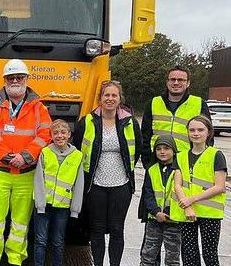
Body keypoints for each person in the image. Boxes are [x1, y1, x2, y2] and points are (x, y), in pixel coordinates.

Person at [0, 59, 52, 266]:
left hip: (26, 174)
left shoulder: (39, 108)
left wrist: (26, 156)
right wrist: (9, 157)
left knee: (20, 223)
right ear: (4, 80)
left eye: (19, 77)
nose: (15, 81)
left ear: (27, 79)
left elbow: (45, 134)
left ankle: (15, 260)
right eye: (11, 78)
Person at [73, 80, 141, 266]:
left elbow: (138, 149)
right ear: (100, 98)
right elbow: (77, 149)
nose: (110, 99)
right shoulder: (86, 122)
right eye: (106, 95)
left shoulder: (130, 123)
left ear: (120, 99)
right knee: (96, 229)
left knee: (117, 230)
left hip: (122, 184)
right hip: (95, 185)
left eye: (114, 95)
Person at [171, 115, 227, 266]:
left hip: (210, 214)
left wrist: (192, 199)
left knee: (210, 255)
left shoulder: (216, 155)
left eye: (200, 130)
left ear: (208, 132)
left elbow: (220, 186)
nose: (196, 133)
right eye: (192, 130)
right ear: (188, 133)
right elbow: (177, 185)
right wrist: (188, 206)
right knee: (189, 255)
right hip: (188, 213)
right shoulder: (181, 156)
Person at [33, 119, 83, 266]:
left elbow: (79, 184)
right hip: (44, 205)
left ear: (69, 134)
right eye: (55, 133)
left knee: (58, 241)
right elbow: (38, 179)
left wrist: (75, 209)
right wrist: (40, 204)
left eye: (63, 132)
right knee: (40, 240)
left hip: (63, 207)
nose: (59, 136)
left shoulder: (77, 156)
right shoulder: (45, 152)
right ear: (51, 136)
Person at [141, 65, 211, 168]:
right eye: (173, 79)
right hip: (157, 161)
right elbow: (144, 136)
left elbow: (208, 136)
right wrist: (147, 162)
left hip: (186, 161)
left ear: (188, 83)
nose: (176, 83)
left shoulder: (199, 104)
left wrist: (201, 160)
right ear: (167, 82)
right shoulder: (153, 103)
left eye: (181, 80)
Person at [139, 135, 181, 266]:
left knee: (172, 258)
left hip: (173, 219)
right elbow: (148, 193)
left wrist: (168, 212)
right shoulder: (151, 170)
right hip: (154, 219)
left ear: (174, 150)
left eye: (166, 148)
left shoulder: (180, 170)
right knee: (148, 255)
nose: (162, 152)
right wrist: (156, 212)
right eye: (158, 149)